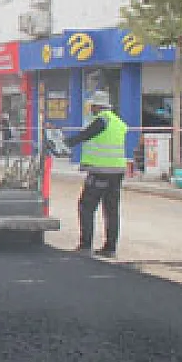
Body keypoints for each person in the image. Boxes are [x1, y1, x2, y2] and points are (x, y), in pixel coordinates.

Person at [62, 91, 127, 258]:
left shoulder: (102, 120)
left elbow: (86, 135)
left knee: (86, 206)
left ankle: (85, 245)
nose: (91, 108)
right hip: (117, 171)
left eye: (92, 105)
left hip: (100, 171)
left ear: (98, 106)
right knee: (111, 209)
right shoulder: (118, 122)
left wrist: (66, 143)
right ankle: (110, 248)